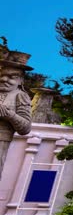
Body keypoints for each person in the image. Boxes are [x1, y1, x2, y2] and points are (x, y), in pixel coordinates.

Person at [0, 51, 34, 181]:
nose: (4, 79)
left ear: (21, 80)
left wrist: (9, 115)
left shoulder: (20, 96)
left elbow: (25, 128)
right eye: (2, 74)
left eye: (12, 76)